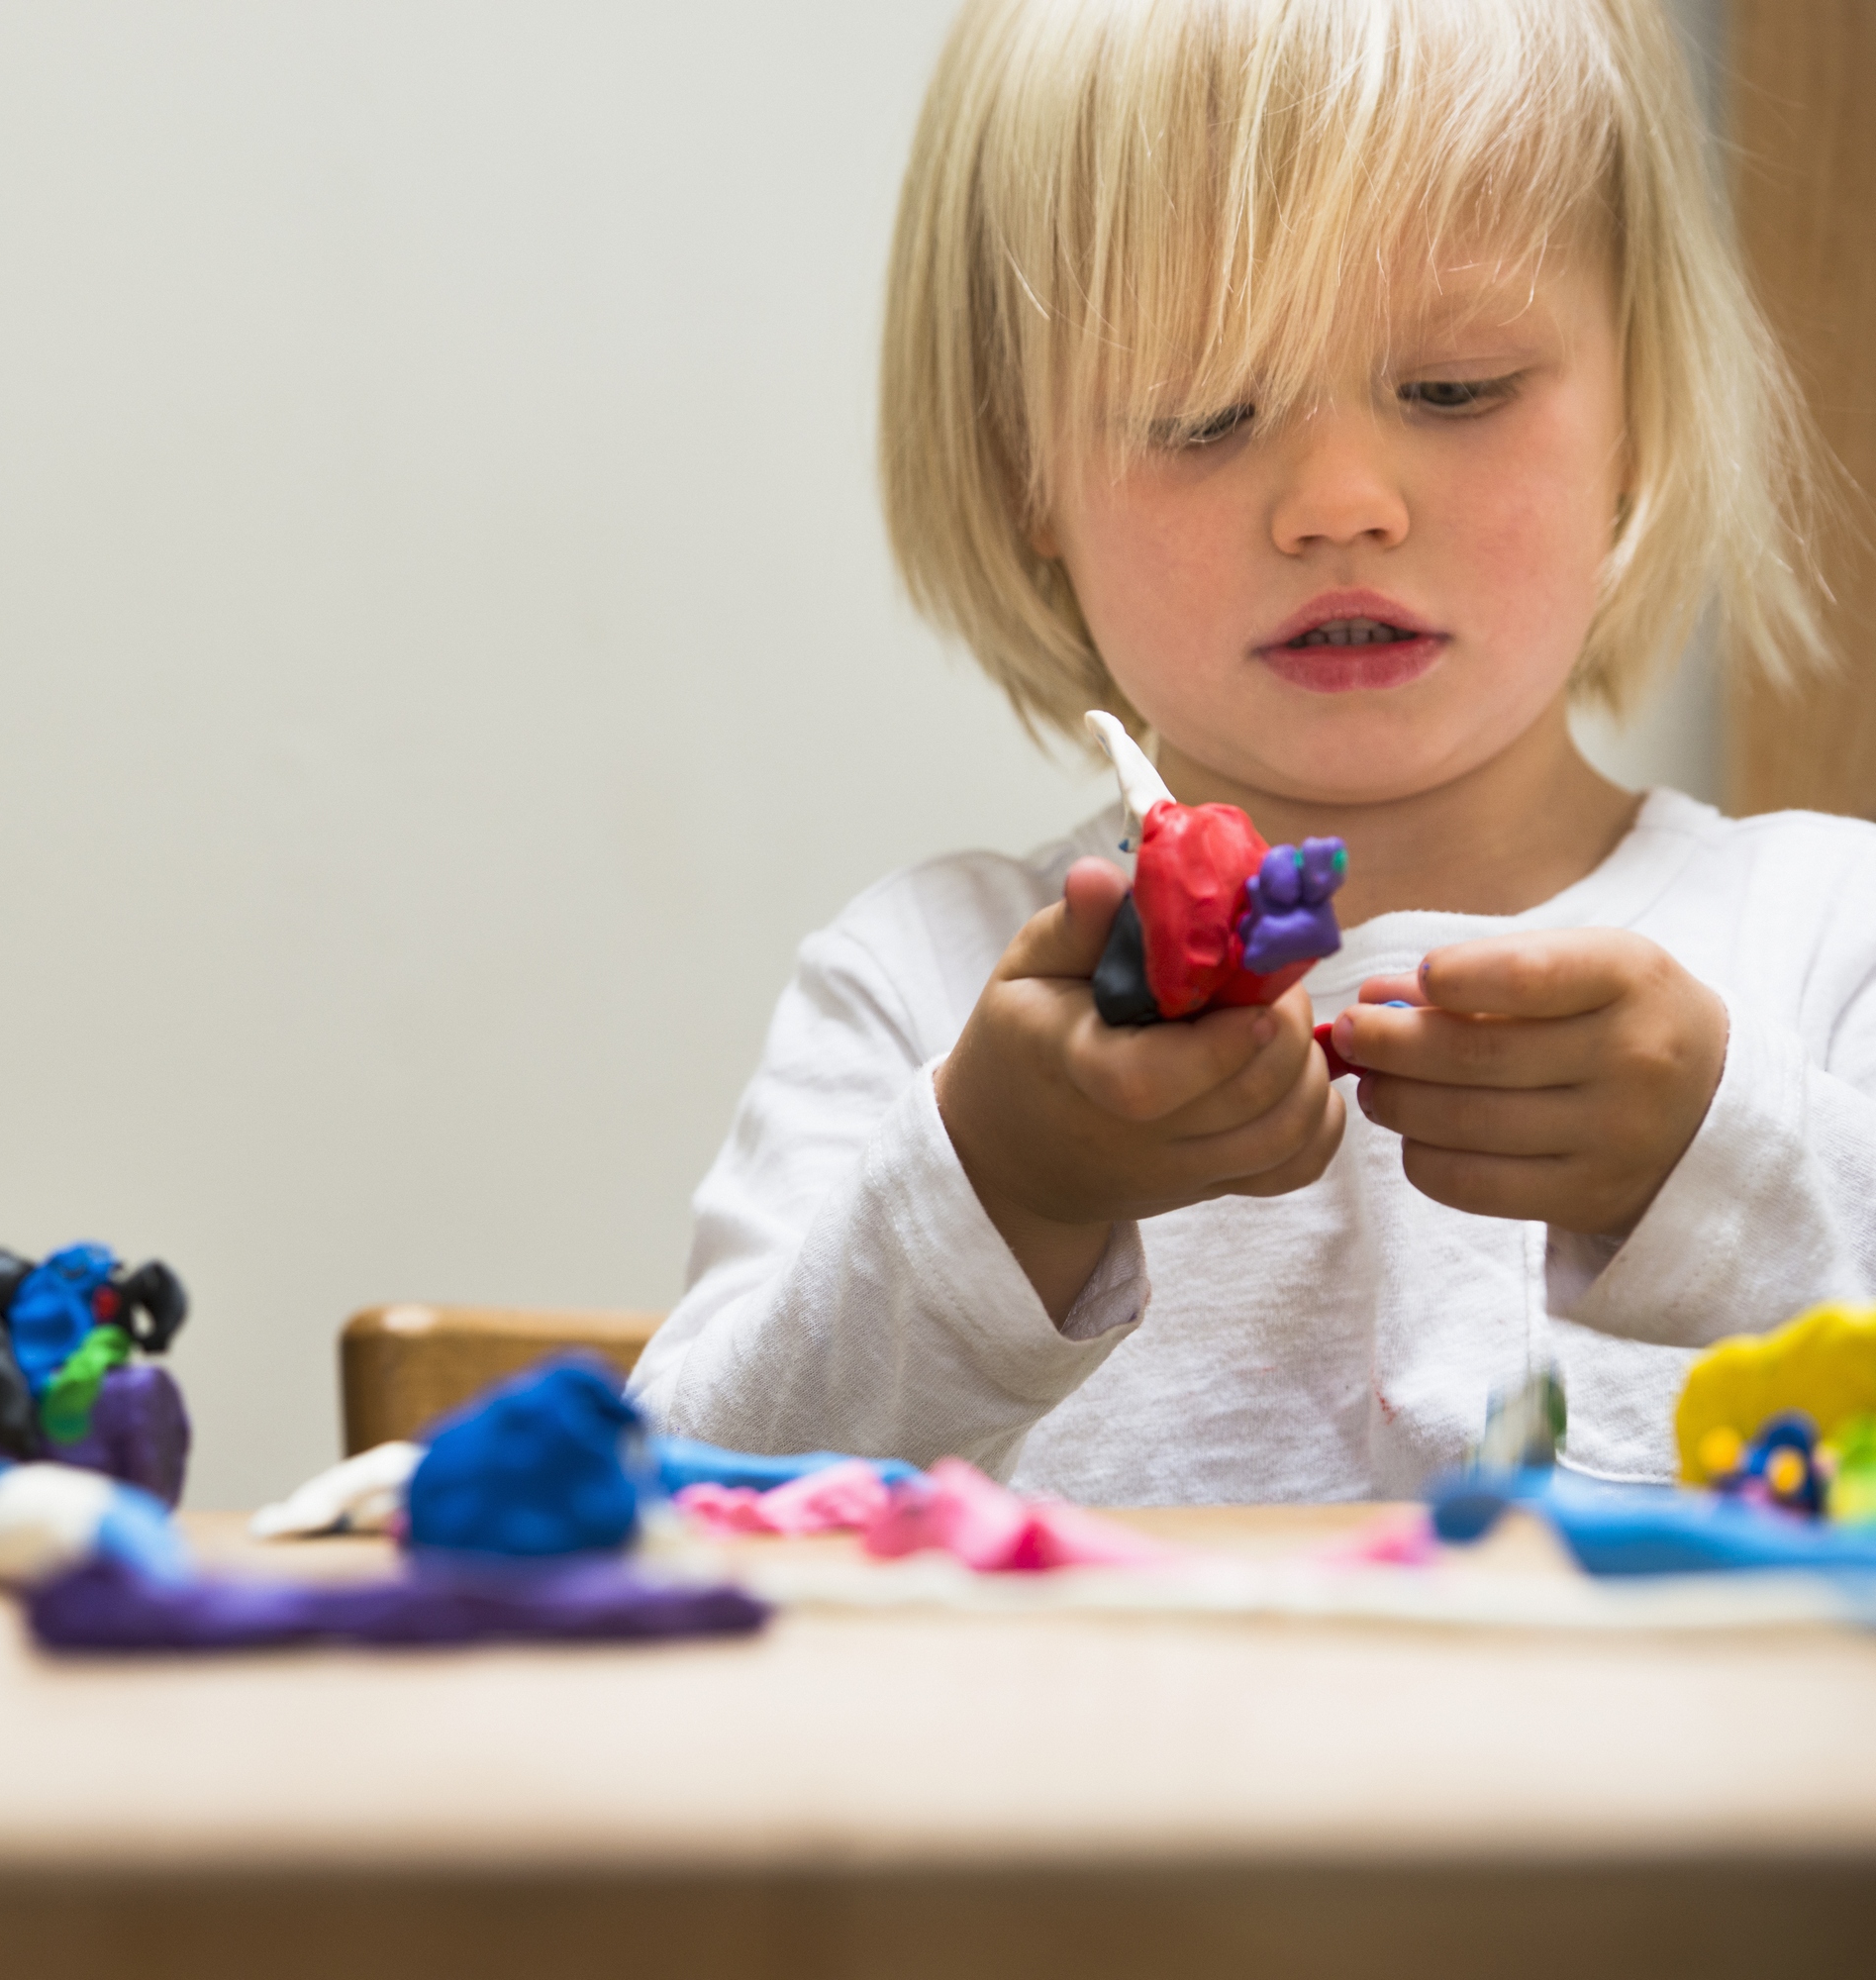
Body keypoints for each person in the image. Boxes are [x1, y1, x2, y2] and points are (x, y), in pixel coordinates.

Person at [624, 0, 1876, 1502]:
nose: (1340, 504)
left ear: (1640, 410)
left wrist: (1732, 1174)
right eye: (1205, 415)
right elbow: (687, 1511)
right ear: (1025, 471)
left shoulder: (1827, 945)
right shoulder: (923, 989)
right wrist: (998, 1192)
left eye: (1456, 389)